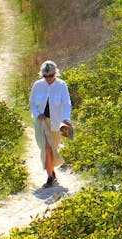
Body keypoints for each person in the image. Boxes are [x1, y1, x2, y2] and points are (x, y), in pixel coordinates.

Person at [29, 60, 72, 188]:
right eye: (45, 76)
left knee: (54, 147)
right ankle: (50, 176)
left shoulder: (61, 85)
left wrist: (66, 118)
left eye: (51, 75)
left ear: (55, 73)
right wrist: (38, 114)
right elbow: (32, 102)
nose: (48, 78)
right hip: (41, 122)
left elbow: (66, 103)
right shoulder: (37, 85)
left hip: (56, 121)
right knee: (46, 147)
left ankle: (52, 172)